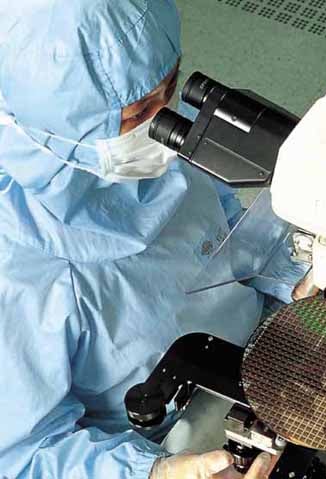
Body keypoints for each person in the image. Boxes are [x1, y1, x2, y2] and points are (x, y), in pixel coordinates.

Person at [0, 0, 305, 477]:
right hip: (171, 439)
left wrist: (298, 277)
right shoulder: (18, 265)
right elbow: (23, 456)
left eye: (171, 85)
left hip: (266, 361)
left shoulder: (150, 142)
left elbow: (228, 237)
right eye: (138, 111)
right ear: (62, 126)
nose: (163, 123)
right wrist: (159, 471)